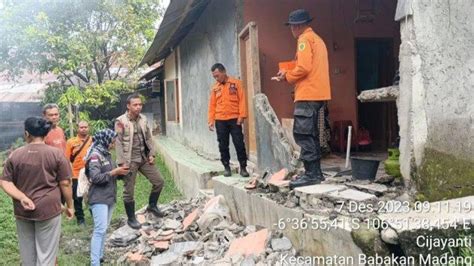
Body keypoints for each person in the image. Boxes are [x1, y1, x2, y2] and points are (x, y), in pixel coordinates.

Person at [0, 117, 74, 266]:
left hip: (23, 211)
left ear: (27, 133)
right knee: (46, 255)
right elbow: (65, 183)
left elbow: (5, 181)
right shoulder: (56, 154)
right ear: (46, 134)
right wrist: (70, 206)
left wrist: (22, 197)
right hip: (49, 209)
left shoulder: (15, 155)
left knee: (27, 255)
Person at [274, 9, 332, 189]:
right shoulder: (317, 39)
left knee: (303, 133)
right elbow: (308, 66)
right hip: (317, 92)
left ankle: (312, 174)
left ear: (297, 26)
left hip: (308, 93)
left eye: (291, 26)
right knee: (310, 133)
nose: (291, 30)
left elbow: (304, 67)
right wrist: (290, 70)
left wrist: (287, 76)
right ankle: (315, 173)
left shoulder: (304, 40)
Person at [115, 93, 165, 229]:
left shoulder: (143, 119)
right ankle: (131, 218)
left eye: (140, 104)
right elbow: (118, 143)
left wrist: (152, 154)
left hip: (143, 158)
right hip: (129, 160)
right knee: (129, 191)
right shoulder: (120, 121)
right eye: (135, 105)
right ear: (128, 106)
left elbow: (149, 137)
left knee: (159, 181)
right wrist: (121, 163)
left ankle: (152, 205)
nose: (138, 107)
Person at [85, 129, 129, 266]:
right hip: (99, 198)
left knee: (104, 229)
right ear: (105, 140)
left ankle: (100, 256)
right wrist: (114, 172)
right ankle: (94, 262)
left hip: (109, 197)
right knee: (99, 230)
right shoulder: (95, 156)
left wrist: (122, 172)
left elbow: (111, 174)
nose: (113, 143)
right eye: (112, 141)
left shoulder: (106, 154)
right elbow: (95, 177)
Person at [207, 63, 249, 177]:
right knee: (223, 145)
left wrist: (241, 116)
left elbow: (242, 100)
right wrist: (211, 120)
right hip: (220, 120)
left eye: (217, 75)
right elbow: (212, 105)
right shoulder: (215, 88)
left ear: (224, 71)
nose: (216, 78)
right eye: (214, 77)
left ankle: (243, 167)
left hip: (234, 119)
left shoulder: (236, 83)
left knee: (239, 143)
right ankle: (226, 167)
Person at [65, 121, 93, 225]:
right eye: (81, 127)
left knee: (92, 195)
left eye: (85, 127)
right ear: (78, 128)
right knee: (77, 198)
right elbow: (67, 159)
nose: (84, 129)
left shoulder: (93, 140)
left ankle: (94, 215)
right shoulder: (71, 142)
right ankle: (80, 219)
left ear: (88, 128)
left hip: (91, 173)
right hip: (76, 174)